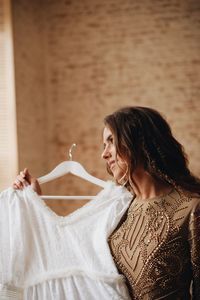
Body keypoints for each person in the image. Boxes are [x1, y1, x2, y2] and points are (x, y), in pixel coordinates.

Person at [13, 106, 200, 299]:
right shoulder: (119, 205)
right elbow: (72, 250)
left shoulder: (191, 208)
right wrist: (33, 200)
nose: (104, 154)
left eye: (111, 141)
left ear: (140, 142)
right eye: (104, 145)